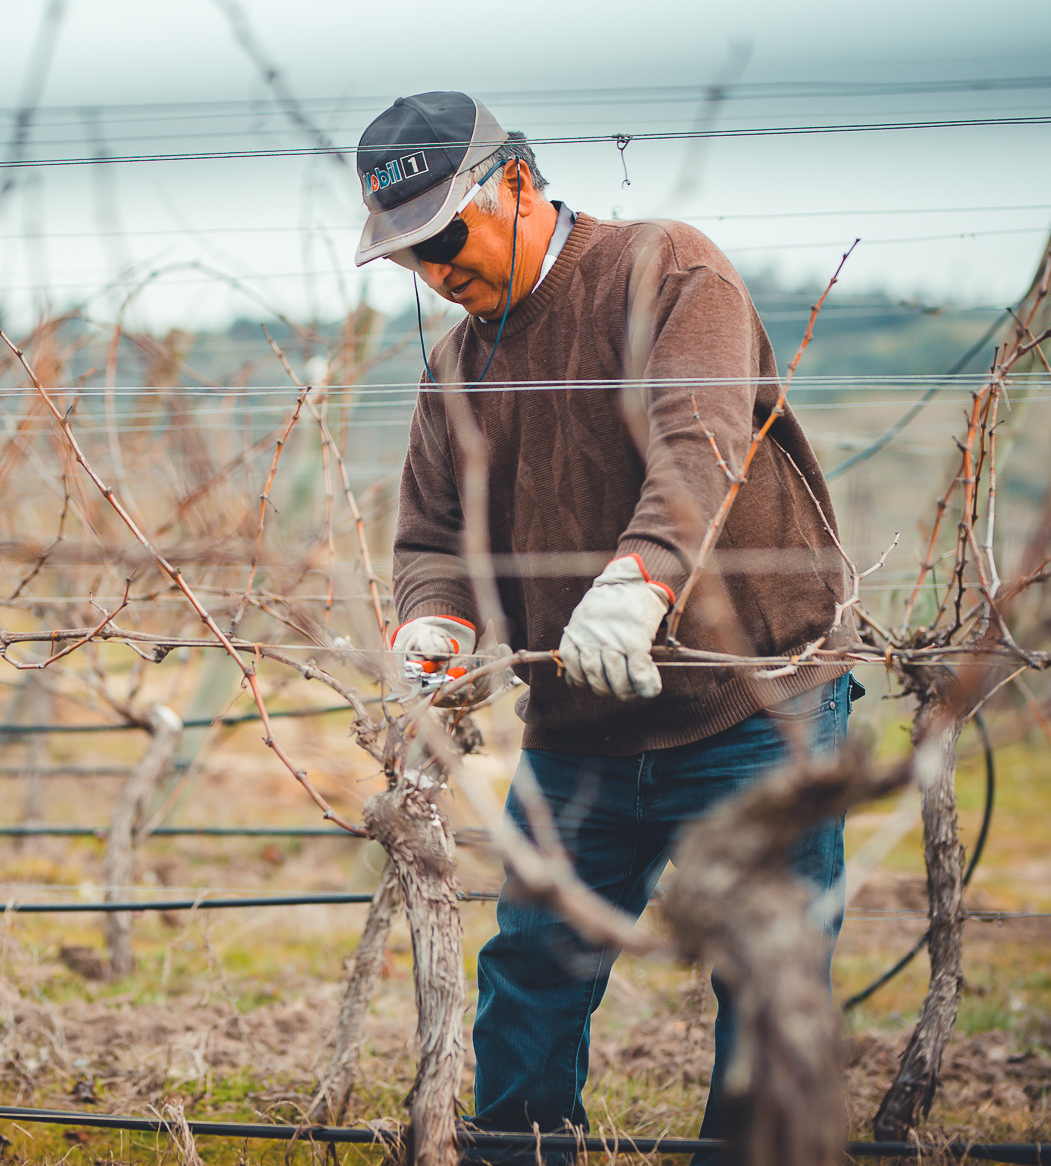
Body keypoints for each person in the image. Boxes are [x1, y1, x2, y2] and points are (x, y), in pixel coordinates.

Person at [355, 91, 857, 1157]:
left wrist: (639, 583)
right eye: (408, 254)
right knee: (531, 969)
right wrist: (433, 628)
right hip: (579, 728)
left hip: (756, 702)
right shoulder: (453, 368)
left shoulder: (663, 270)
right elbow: (432, 538)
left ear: (519, 185)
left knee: (767, 978)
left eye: (445, 233)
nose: (434, 268)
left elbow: (697, 439)